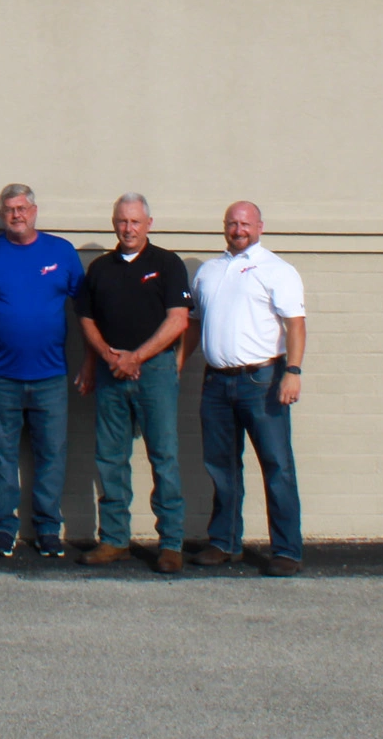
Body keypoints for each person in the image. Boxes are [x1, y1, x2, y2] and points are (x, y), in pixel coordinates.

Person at [0, 182, 84, 561]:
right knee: (0, 456)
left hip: (50, 377)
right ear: (1, 214)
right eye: (9, 209)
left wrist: (94, 358)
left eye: (23, 207)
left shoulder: (61, 252)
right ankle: (3, 530)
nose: (17, 214)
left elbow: (87, 310)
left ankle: (47, 530)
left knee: (51, 455)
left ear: (34, 210)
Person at [186, 200, 308, 577]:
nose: (238, 230)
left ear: (260, 226)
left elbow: (296, 325)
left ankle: (286, 550)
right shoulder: (209, 271)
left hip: (263, 382)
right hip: (216, 383)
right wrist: (175, 367)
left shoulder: (277, 270)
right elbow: (193, 324)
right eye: (232, 223)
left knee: (277, 466)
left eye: (245, 223)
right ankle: (225, 543)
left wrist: (293, 371)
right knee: (221, 468)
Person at [77, 193, 191, 572]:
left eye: (136, 222)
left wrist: (135, 357)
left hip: (153, 372)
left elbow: (178, 320)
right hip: (111, 373)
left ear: (149, 223)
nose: (128, 229)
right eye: (122, 221)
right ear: (114, 223)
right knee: (110, 459)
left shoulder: (168, 264)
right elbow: (87, 320)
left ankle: (171, 544)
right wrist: (106, 358)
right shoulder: (100, 269)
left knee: (164, 457)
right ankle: (114, 540)